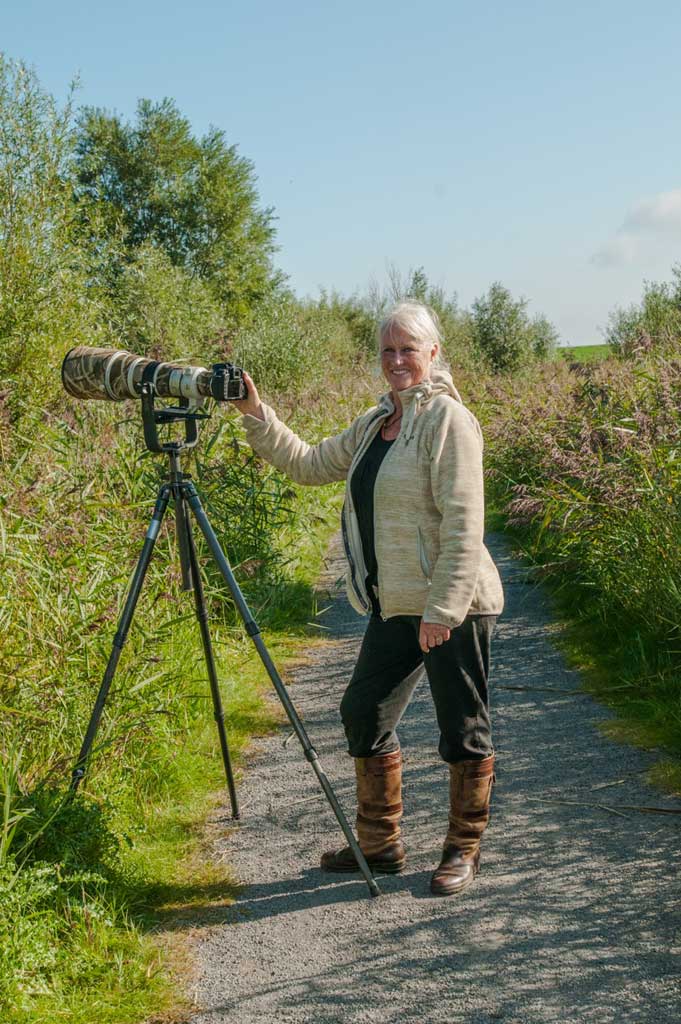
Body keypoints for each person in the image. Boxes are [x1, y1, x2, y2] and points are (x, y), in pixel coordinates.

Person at [233, 301, 504, 896]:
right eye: (387, 349)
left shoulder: (449, 423)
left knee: (463, 728)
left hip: (452, 606)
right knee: (364, 711)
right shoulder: (376, 421)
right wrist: (257, 414)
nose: (397, 360)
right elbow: (308, 464)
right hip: (395, 603)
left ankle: (463, 849)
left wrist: (443, 610)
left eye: (409, 348)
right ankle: (381, 843)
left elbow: (465, 523)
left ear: (434, 352)